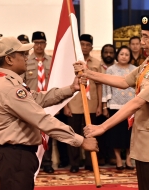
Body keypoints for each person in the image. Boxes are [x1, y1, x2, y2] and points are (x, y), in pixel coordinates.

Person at [76, 15, 149, 189]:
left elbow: (138, 102)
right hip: (145, 141)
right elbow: (124, 81)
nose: (142, 42)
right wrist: (88, 73)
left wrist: (102, 127)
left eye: (146, 37)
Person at [0, 36, 98, 190]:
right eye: (22, 54)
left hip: (15, 155)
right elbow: (41, 119)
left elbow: (38, 98)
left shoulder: (8, 83)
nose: (27, 58)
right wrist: (80, 141)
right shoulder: (9, 87)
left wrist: (71, 88)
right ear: (9, 59)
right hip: (15, 156)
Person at [64, 34, 102, 173]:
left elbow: (99, 85)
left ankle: (90, 162)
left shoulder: (96, 63)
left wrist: (99, 105)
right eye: (82, 45)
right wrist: (66, 105)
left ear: (91, 47)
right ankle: (74, 163)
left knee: (91, 134)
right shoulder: (72, 63)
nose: (85, 47)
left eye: (87, 45)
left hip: (91, 104)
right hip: (74, 104)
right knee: (73, 134)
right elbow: (66, 85)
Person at [24, 31, 54, 173]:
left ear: (45, 44)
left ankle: (47, 162)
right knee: (32, 133)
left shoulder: (52, 61)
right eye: (36, 43)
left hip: (50, 102)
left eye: (41, 43)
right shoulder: (26, 61)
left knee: (49, 131)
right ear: (32, 45)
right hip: (32, 102)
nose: (39, 46)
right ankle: (33, 162)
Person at [102, 45, 136, 170]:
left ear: (130, 57)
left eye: (127, 54)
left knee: (130, 135)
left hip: (131, 107)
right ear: (117, 55)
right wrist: (105, 106)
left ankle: (128, 159)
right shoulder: (111, 69)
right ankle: (118, 159)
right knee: (116, 135)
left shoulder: (135, 69)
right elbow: (106, 88)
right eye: (122, 54)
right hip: (115, 106)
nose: (124, 56)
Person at [97, 44, 117, 166]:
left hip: (115, 103)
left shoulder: (118, 67)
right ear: (102, 54)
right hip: (100, 103)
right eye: (106, 52)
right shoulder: (97, 66)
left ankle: (112, 156)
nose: (108, 55)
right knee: (100, 132)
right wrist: (102, 105)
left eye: (111, 52)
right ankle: (101, 156)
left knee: (112, 132)